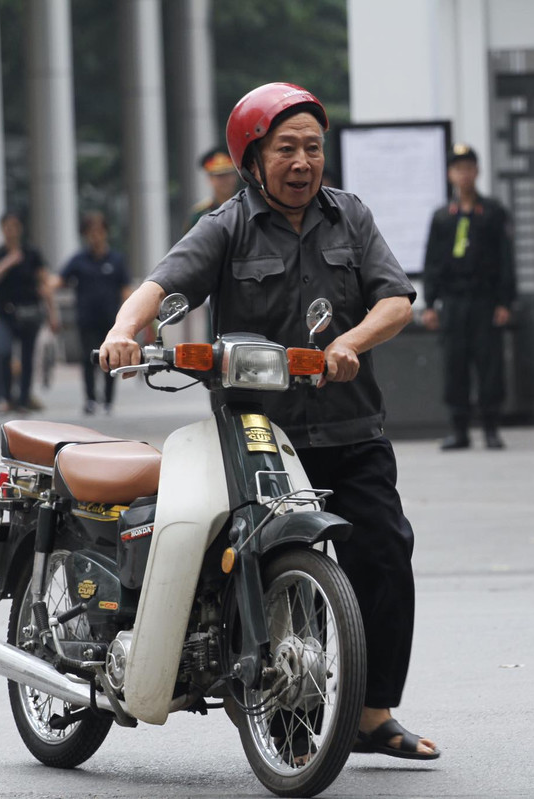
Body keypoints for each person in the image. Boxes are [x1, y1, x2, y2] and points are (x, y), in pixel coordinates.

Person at [99, 82, 439, 760]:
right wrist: (123, 329)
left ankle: (374, 714)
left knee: (385, 554)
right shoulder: (227, 224)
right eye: (287, 148)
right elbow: (164, 282)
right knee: (254, 558)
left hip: (351, 427)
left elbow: (396, 299)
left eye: (313, 148)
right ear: (254, 158)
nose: (302, 162)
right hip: (259, 433)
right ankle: (280, 714)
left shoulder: (352, 217)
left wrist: (351, 342)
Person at [421, 143, 516, 450]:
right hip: (454, 302)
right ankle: (459, 428)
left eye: (469, 168)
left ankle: (491, 427)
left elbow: (505, 258)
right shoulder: (442, 218)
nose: (464, 174)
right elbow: (432, 262)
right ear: (450, 174)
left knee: (489, 365)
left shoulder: (492, 213)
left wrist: (505, 301)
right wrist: (430, 302)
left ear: (477, 172)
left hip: (485, 300)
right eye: (458, 168)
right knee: (455, 365)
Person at [0, 210, 58, 413]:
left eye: (15, 226)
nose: (11, 231)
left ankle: (24, 398)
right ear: (2, 229)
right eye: (8, 227)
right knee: (3, 351)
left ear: (21, 229)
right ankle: (7, 397)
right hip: (4, 313)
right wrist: (8, 262)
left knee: (27, 357)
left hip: (29, 312)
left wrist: (52, 313)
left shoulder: (32, 253)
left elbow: (44, 284)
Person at [59, 211, 132, 414]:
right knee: (88, 359)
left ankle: (108, 400)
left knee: (111, 359)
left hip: (111, 320)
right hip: (86, 319)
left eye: (99, 231)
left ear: (106, 233)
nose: (95, 236)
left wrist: (132, 317)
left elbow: (126, 290)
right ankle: (90, 399)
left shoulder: (116, 260)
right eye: (91, 232)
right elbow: (59, 281)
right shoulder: (79, 260)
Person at [185, 147, 241, 232]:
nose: (225, 180)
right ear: (210, 179)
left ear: (236, 176)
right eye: (219, 176)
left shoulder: (248, 208)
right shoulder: (200, 215)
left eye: (228, 174)